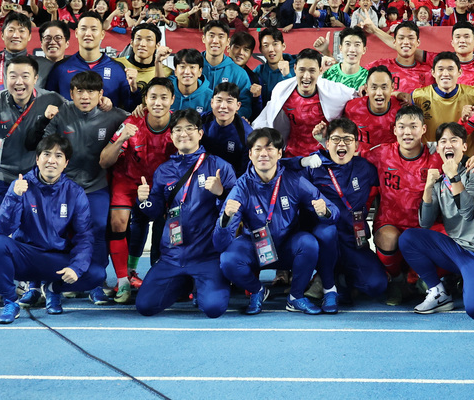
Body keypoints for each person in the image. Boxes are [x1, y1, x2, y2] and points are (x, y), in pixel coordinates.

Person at [24, 70, 130, 305]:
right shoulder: (61, 114)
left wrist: (141, 110)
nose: (85, 96)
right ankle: (41, 282)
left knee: (99, 228)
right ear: (71, 93)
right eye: (79, 91)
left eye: (91, 91)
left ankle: (95, 284)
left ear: (101, 94)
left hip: (96, 185)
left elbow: (137, 120)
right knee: (52, 231)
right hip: (63, 187)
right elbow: (40, 145)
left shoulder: (112, 115)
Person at [0, 55, 64, 309]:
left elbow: (78, 111)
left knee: (36, 230)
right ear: (4, 78)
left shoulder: (52, 99)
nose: (18, 82)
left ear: (36, 78)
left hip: (35, 178)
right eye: (13, 76)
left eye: (25, 76)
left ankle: (35, 284)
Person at [0, 135, 109, 324]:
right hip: (27, 257)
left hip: (56, 260)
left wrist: (75, 268)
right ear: (37, 159)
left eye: (58, 156)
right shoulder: (20, 185)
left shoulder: (75, 192)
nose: (51, 160)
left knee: (97, 274)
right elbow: (2, 228)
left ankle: (53, 289)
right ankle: (11, 302)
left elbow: (84, 237)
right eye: (46, 154)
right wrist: (14, 197)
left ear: (66, 163)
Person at [217, 127, 338, 314]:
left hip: (286, 247)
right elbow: (220, 243)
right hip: (255, 247)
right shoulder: (241, 187)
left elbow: (333, 210)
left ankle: (296, 297)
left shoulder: (294, 180)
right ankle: (258, 290)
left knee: (309, 243)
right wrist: (225, 220)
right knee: (228, 259)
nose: (263, 154)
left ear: (280, 153)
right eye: (258, 149)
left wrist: (325, 212)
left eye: (270, 148)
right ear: (250, 154)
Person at [134, 108, 238, 318]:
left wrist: (220, 193)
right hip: (172, 255)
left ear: (200, 133)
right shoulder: (164, 170)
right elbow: (155, 212)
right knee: (145, 306)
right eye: (178, 129)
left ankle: (206, 281)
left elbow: (234, 213)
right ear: (171, 136)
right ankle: (184, 284)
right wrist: (143, 201)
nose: (184, 134)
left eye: (190, 128)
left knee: (213, 309)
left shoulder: (219, 167)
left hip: (206, 256)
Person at [398, 123, 474, 320]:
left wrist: (454, 176)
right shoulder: (439, 181)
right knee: (409, 238)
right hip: (456, 251)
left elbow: (469, 212)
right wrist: (428, 188)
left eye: (454, 140)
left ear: (464, 146)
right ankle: (439, 292)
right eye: (443, 141)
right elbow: (425, 223)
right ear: (437, 148)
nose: (448, 145)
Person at [102, 77, 178, 302]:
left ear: (172, 100)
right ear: (145, 100)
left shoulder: (178, 125)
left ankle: (166, 276)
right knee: (118, 222)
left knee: (166, 226)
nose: (158, 102)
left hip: (160, 186)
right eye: (153, 97)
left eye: (164, 97)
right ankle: (123, 280)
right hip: (127, 181)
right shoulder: (131, 121)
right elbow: (104, 161)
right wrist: (121, 139)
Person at [300, 118, 389, 307]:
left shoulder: (366, 168)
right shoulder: (314, 167)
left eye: (348, 140)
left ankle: (340, 280)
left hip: (354, 239)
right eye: (336, 139)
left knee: (377, 285)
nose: (342, 144)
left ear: (356, 144)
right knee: (326, 233)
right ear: (327, 142)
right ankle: (326, 277)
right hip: (324, 238)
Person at [363, 105, 443, 305]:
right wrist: (322, 140)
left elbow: (460, 155)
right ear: (395, 130)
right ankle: (397, 281)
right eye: (402, 127)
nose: (407, 132)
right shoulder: (381, 153)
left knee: (451, 239)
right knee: (388, 239)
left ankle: (422, 277)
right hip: (391, 223)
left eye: (413, 126)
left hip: (425, 225)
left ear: (424, 129)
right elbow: (348, 153)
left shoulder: (437, 156)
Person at [253, 48, 356, 157]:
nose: (306, 76)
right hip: (292, 157)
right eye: (302, 70)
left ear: (320, 71)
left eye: (312, 70)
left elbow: (357, 96)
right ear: (295, 68)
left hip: (325, 157)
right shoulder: (281, 90)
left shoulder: (334, 91)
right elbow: (266, 117)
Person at [45, 12, 135, 108]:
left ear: (102, 34)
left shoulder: (118, 68)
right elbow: (49, 105)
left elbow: (130, 108)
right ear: (76, 33)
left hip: (108, 122)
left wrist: (134, 89)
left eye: (93, 29)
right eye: (83, 29)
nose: (88, 34)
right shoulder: (60, 68)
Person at [410, 52, 474, 142]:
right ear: (433, 73)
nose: (445, 73)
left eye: (450, 69)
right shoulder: (418, 96)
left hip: (466, 154)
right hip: (431, 154)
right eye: (440, 69)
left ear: (459, 72)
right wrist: (396, 94)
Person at [200, 21, 255, 118]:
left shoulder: (239, 73)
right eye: (211, 36)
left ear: (228, 42)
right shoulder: (192, 68)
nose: (215, 41)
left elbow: (245, 106)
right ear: (204, 38)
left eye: (221, 36)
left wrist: (229, 120)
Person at [342, 65, 403, 148]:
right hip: (361, 158)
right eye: (374, 87)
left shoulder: (402, 109)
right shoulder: (352, 108)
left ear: (392, 87)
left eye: (384, 87)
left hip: (390, 159)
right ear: (366, 88)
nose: (379, 93)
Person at [201, 83, 253, 176]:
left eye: (229, 101)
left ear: (238, 105)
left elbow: (244, 171)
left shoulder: (246, 134)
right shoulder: (201, 121)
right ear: (212, 102)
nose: (223, 106)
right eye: (219, 100)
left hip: (231, 180)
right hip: (201, 174)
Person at [113, 23, 172, 91]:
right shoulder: (116, 65)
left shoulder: (167, 73)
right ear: (131, 43)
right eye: (138, 39)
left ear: (157, 45)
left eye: (149, 40)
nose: (142, 44)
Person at [170, 49, 214, 114]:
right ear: (175, 71)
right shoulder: (167, 94)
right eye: (182, 67)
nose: (187, 72)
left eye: (192, 67)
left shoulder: (210, 97)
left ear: (200, 71)